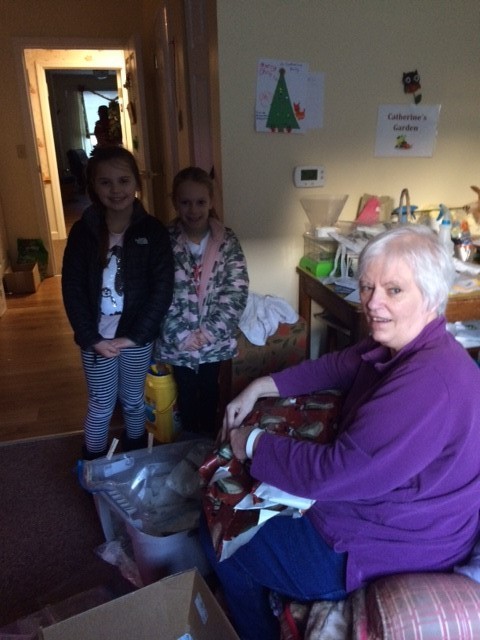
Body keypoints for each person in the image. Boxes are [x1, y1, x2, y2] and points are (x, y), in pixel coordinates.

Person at [200, 224, 480, 640]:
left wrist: (250, 443)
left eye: (393, 290)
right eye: (367, 287)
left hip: (393, 545)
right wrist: (259, 387)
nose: (373, 303)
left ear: (432, 296)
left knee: (221, 541)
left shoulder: (427, 382)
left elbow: (332, 472)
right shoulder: (401, 344)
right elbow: (338, 365)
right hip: (392, 514)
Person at [62, 146, 174, 459]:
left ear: (136, 182)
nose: (116, 190)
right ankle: (94, 461)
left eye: (124, 180)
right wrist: (90, 337)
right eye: (106, 182)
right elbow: (71, 289)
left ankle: (136, 453)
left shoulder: (153, 232)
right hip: (95, 340)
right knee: (101, 403)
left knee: (134, 400)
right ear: (93, 186)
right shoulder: (83, 232)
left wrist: (136, 335)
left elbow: (162, 290)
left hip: (135, 337)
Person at [154, 167, 249, 437]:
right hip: (179, 341)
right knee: (184, 391)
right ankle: (187, 442)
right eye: (185, 202)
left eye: (200, 202)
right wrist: (180, 333)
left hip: (213, 341)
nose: (193, 210)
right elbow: (156, 292)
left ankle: (207, 443)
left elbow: (236, 290)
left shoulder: (227, 241)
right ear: (175, 202)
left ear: (210, 202)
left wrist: (209, 332)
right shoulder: (163, 240)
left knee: (210, 389)